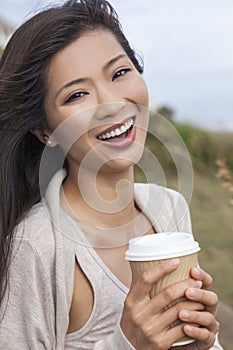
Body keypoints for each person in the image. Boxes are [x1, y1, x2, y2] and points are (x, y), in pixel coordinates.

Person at [0, 1, 223, 349]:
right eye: (77, 94)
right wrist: (127, 342)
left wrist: (203, 343)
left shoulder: (169, 209)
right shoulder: (38, 246)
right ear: (46, 131)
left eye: (119, 73)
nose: (111, 103)